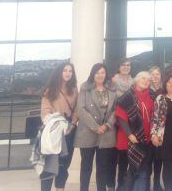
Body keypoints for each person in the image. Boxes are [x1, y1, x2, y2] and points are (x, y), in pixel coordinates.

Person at [75, 63, 118, 191]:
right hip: (87, 132)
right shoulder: (85, 88)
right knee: (86, 166)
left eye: (103, 72)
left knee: (103, 167)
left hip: (106, 133)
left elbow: (116, 110)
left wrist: (107, 125)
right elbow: (81, 110)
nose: (100, 75)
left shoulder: (112, 89)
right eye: (97, 72)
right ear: (93, 74)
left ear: (106, 74)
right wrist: (95, 127)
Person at [41, 62, 79, 191]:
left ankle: (60, 188)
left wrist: (72, 124)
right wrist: (55, 125)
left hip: (70, 131)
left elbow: (77, 110)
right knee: (50, 165)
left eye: (70, 71)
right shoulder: (50, 90)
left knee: (64, 165)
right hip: (54, 131)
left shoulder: (74, 89)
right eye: (65, 70)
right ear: (59, 72)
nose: (68, 73)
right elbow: (45, 110)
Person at [116, 71, 155, 191]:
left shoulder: (152, 95)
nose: (145, 82)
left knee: (146, 168)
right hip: (132, 138)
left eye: (148, 80)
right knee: (132, 168)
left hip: (148, 138)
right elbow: (121, 117)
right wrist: (130, 134)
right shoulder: (128, 96)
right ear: (136, 80)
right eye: (143, 79)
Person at [149, 66, 165, 191]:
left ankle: (156, 183)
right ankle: (146, 181)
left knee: (159, 157)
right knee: (148, 158)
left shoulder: (163, 91)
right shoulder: (145, 89)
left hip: (159, 128)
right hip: (146, 127)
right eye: (153, 74)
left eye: (157, 74)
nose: (155, 76)